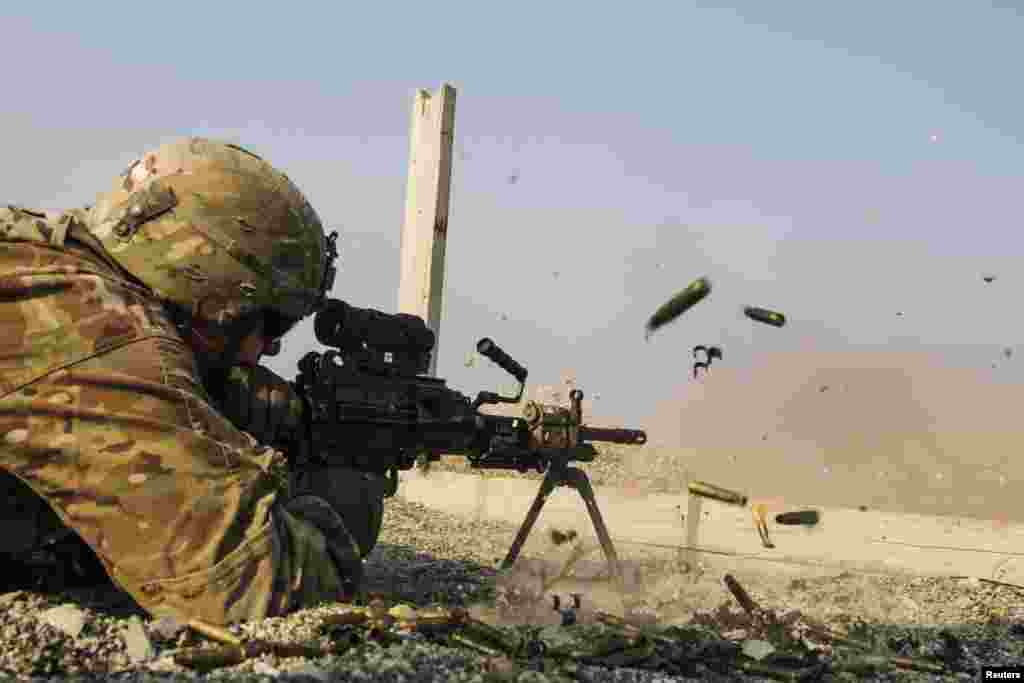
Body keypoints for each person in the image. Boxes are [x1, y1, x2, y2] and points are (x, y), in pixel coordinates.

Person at [0, 137, 366, 626]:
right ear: (211, 286)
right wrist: (324, 508)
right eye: (270, 323)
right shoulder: (105, 332)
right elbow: (256, 589)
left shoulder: (38, 257)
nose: (267, 350)